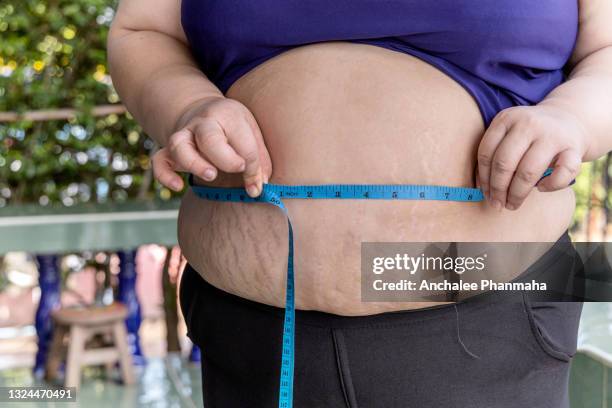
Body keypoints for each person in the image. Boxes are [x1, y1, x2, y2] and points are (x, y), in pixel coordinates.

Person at [108, 1, 612, 406]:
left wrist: (571, 118)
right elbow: (144, 31)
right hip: (248, 328)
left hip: (492, 304)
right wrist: (186, 105)